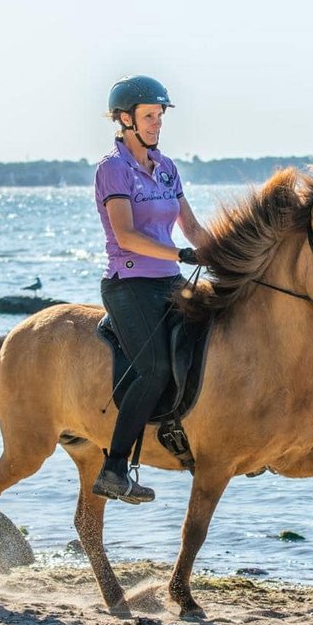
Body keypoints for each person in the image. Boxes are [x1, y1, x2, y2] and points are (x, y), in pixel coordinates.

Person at [92, 75, 210, 504]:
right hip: (130, 285)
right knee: (155, 368)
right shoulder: (113, 169)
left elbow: (193, 227)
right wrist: (179, 255)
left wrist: (230, 258)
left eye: (160, 116)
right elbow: (125, 235)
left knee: (215, 336)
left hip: (168, 280)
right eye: (149, 116)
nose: (157, 124)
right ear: (125, 120)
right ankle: (114, 468)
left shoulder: (167, 169)